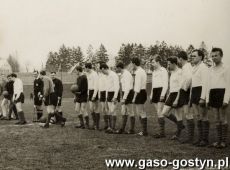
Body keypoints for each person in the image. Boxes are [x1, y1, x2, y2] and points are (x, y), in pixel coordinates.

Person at [207, 48, 229, 148]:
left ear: (221, 56)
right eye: (212, 56)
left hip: (222, 93)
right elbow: (208, 85)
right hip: (213, 93)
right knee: (216, 119)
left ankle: (224, 141)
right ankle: (218, 140)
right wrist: (208, 99)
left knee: (223, 118)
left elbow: (228, 85)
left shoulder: (226, 68)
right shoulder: (210, 69)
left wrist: (226, 99)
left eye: (216, 55)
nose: (214, 58)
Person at [159, 56, 183, 138]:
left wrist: (177, 99)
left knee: (178, 115)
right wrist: (169, 94)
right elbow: (171, 86)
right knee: (164, 112)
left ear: (174, 64)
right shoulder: (172, 72)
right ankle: (181, 125)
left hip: (178, 94)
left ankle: (178, 133)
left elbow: (180, 87)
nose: (168, 66)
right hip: (171, 94)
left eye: (169, 64)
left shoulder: (180, 72)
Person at [190, 49, 209, 147]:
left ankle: (205, 139)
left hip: (201, 92)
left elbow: (205, 83)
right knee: (197, 116)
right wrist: (191, 97)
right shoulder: (194, 68)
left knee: (203, 116)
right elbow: (193, 84)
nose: (192, 57)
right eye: (191, 56)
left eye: (194, 56)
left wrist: (203, 97)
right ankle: (200, 138)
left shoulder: (204, 67)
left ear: (200, 57)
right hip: (194, 92)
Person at [172, 51, 193, 141]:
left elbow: (189, 78)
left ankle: (190, 137)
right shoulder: (185, 67)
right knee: (187, 114)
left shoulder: (187, 67)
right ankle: (190, 137)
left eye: (178, 59)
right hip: (185, 92)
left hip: (186, 92)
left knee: (188, 114)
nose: (178, 61)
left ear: (180, 59)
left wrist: (184, 87)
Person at [149, 55, 169, 138]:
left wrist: (162, 94)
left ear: (158, 62)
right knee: (159, 112)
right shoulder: (154, 72)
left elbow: (165, 84)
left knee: (160, 111)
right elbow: (153, 85)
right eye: (151, 62)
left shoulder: (163, 70)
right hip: (155, 91)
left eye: (153, 62)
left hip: (161, 91)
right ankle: (178, 123)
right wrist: (151, 95)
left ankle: (162, 132)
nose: (152, 64)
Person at [115, 62, 135, 134]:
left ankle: (131, 129)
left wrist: (124, 98)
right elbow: (122, 87)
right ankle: (122, 128)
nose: (116, 69)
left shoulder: (126, 74)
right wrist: (122, 96)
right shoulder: (122, 74)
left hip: (128, 93)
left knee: (130, 111)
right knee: (123, 111)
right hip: (125, 93)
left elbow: (127, 88)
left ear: (120, 67)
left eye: (116, 68)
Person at [100, 63, 119, 133]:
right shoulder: (107, 76)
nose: (102, 73)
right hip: (109, 94)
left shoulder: (113, 75)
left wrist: (115, 97)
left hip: (114, 94)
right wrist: (106, 97)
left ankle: (113, 128)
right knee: (110, 111)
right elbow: (107, 88)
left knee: (113, 111)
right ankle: (110, 127)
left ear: (103, 69)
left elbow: (117, 86)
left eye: (102, 71)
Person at [131, 57, 148, 136]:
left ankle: (144, 131)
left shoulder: (138, 72)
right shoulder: (143, 71)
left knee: (140, 112)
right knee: (141, 112)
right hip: (143, 92)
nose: (131, 65)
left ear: (134, 64)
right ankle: (144, 130)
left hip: (140, 93)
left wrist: (134, 97)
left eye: (132, 64)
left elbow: (137, 86)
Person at [85, 63, 100, 130]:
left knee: (95, 108)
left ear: (88, 68)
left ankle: (96, 125)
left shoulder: (94, 74)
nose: (85, 69)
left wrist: (94, 95)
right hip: (90, 92)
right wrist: (88, 94)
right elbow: (88, 86)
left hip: (94, 92)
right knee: (91, 109)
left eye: (85, 68)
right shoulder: (88, 74)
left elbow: (96, 86)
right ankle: (94, 124)